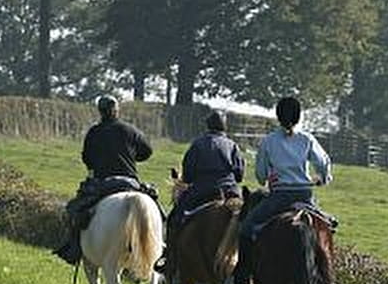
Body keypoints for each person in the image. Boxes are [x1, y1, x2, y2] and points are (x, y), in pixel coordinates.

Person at [225, 96, 332, 284]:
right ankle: (327, 283)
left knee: (246, 228)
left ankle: (242, 280)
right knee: (327, 226)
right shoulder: (307, 139)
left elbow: (261, 175)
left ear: (278, 116)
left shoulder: (269, 141)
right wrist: (323, 178)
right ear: (299, 117)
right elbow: (323, 162)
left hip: (279, 197)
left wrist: (268, 176)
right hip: (305, 196)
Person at [53, 95, 157, 264]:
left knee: (74, 209)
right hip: (130, 183)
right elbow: (147, 151)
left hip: (103, 184)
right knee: (157, 208)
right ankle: (162, 247)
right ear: (116, 110)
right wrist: (131, 156)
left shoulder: (94, 132)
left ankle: (74, 249)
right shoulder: (130, 130)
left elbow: (87, 158)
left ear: (100, 111)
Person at [166, 109, 245, 237]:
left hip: (201, 190)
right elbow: (239, 175)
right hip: (230, 191)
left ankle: (171, 245)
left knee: (176, 217)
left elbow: (188, 176)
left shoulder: (197, 144)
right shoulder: (233, 145)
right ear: (224, 126)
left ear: (208, 125)